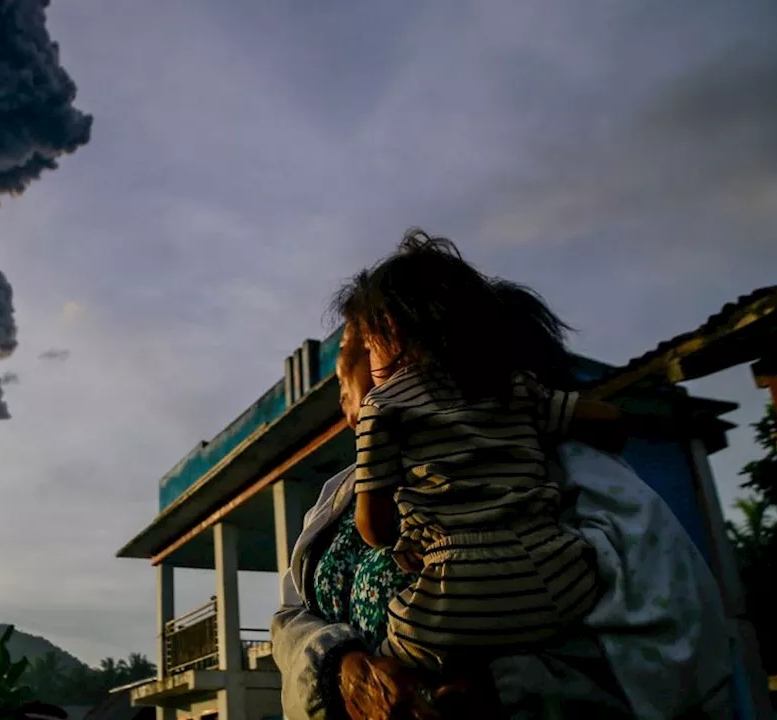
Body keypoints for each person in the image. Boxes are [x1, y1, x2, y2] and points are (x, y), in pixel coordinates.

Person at [271, 297, 736, 720]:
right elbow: (291, 617)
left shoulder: (557, 471)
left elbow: (676, 653)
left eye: (356, 349)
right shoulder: (341, 492)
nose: (343, 386)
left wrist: (508, 691)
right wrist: (341, 669)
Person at [335, 230, 620, 671]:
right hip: (561, 580)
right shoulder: (513, 386)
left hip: (458, 592)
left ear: (390, 332)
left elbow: (372, 526)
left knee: (388, 670)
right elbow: (605, 416)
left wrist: (402, 540)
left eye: (368, 346)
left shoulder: (384, 406)